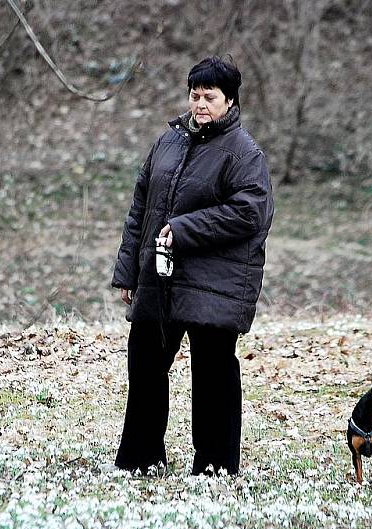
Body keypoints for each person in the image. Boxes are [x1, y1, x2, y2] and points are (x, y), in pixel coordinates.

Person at [111, 56, 274, 475]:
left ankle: (216, 466)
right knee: (145, 365)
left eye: (210, 97)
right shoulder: (167, 142)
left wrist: (184, 229)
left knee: (213, 376)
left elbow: (250, 213)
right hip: (159, 277)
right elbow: (140, 209)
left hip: (215, 282)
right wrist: (129, 271)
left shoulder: (244, 153)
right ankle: (141, 459)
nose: (200, 104)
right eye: (195, 95)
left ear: (230, 101)